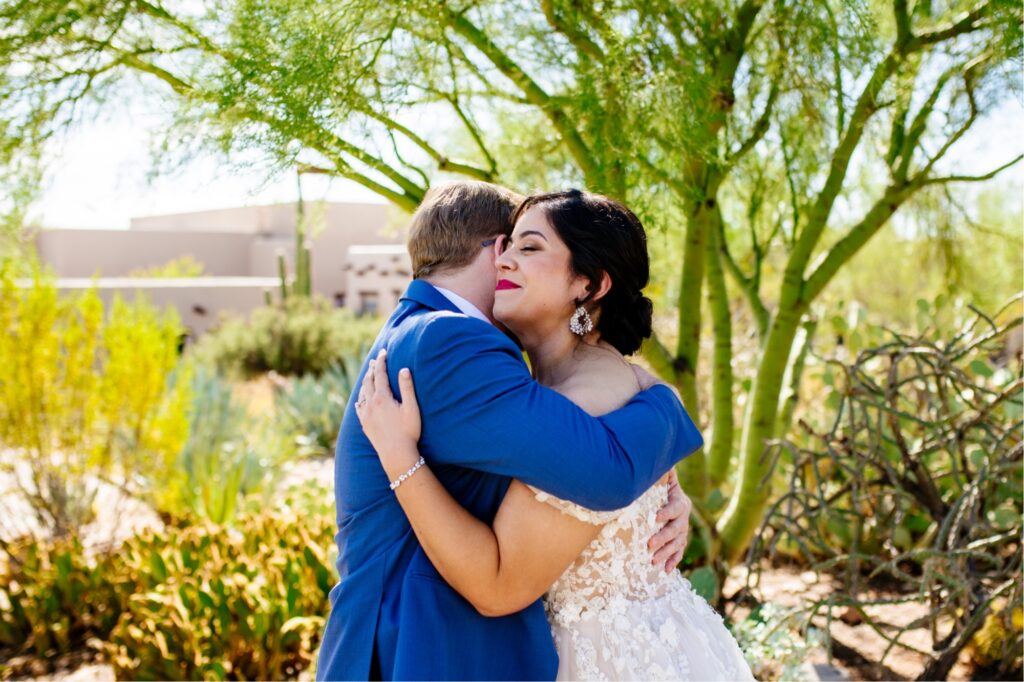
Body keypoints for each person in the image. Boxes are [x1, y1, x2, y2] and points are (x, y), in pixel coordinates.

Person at [355, 189, 754, 681]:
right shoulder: (546, 385)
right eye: (507, 246)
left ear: (588, 285)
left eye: (530, 247)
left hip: (613, 659)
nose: (506, 260)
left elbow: (500, 584)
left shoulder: (584, 398)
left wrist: (400, 458)